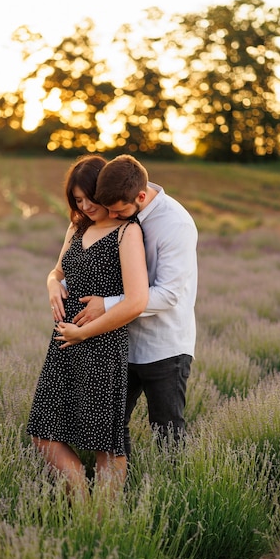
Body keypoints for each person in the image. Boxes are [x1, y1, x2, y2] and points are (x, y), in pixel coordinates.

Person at [26, 155, 148, 500]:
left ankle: (102, 521)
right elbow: (57, 272)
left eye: (88, 198)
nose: (84, 206)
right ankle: (78, 495)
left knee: (104, 441)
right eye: (76, 200)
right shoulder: (77, 227)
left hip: (102, 346)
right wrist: (52, 284)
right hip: (64, 343)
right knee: (43, 429)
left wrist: (84, 333)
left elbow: (135, 300)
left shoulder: (127, 232)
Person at [72, 154, 198, 455]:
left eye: (119, 211)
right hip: (120, 341)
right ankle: (117, 493)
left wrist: (108, 304)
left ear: (141, 196)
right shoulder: (123, 211)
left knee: (167, 434)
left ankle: (173, 494)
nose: (114, 217)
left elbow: (168, 294)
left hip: (164, 346)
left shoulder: (175, 224)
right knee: (110, 427)